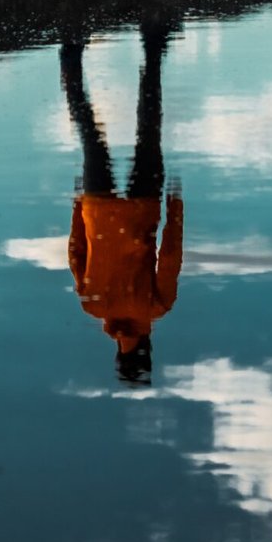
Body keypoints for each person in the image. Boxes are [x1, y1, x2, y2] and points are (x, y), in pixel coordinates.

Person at [62, 25, 183, 386]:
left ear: (148, 348)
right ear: (118, 351)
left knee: (149, 129)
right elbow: (75, 253)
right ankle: (71, 53)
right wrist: (77, 207)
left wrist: (175, 210)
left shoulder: (156, 308)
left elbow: (172, 255)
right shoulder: (92, 305)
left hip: (142, 209)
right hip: (96, 210)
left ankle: (152, 45)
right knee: (88, 133)